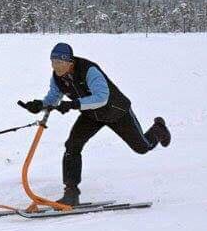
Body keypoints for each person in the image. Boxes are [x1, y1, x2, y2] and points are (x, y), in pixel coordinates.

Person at [18, 43, 171, 206]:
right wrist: (39, 105)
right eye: (53, 62)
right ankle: (71, 193)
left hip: (116, 111)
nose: (56, 67)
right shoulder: (57, 78)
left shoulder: (88, 70)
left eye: (60, 63)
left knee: (142, 148)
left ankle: (158, 129)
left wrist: (73, 104)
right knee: (72, 145)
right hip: (91, 115)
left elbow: (101, 97)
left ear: (70, 62)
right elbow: (53, 98)